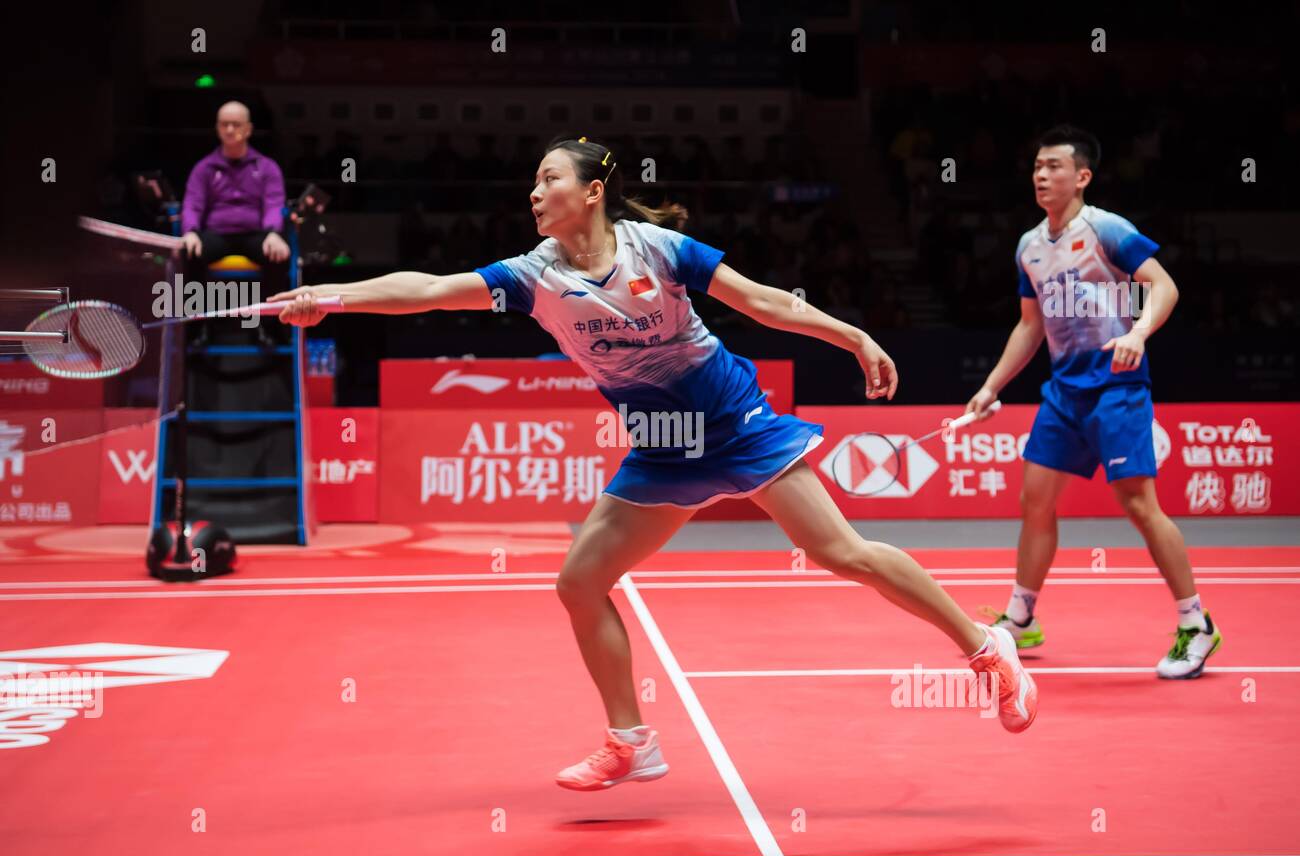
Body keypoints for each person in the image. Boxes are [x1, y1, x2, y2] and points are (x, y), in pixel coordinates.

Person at [270, 135, 1039, 791]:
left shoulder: (659, 250)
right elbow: (431, 291)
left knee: (839, 552)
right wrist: (332, 295)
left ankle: (986, 646)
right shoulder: (536, 276)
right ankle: (632, 742)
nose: (535, 191)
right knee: (578, 582)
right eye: (534, 180)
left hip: (736, 425)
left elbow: (765, 301)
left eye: (550, 178)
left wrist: (854, 337)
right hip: (663, 449)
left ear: (593, 190)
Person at [965, 125, 1224, 679]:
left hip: (1117, 386)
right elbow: (1029, 326)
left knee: (1138, 505)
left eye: (1054, 166)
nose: (1042, 175)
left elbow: (1163, 286)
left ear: (1081, 176)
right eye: (1037, 166)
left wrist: (1139, 333)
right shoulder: (1028, 246)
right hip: (1064, 392)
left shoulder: (1107, 229)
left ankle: (1196, 623)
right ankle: (1021, 617)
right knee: (1035, 500)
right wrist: (991, 386)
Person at [180, 101, 290, 273]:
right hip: (216, 234)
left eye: (236, 125)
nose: (230, 130)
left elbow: (274, 204)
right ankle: (194, 301)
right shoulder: (204, 168)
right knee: (188, 252)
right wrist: (191, 231)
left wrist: (273, 232)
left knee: (278, 253)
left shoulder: (267, 167)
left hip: (255, 234)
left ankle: (271, 301)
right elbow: (192, 204)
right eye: (224, 124)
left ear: (248, 129)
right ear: (217, 128)